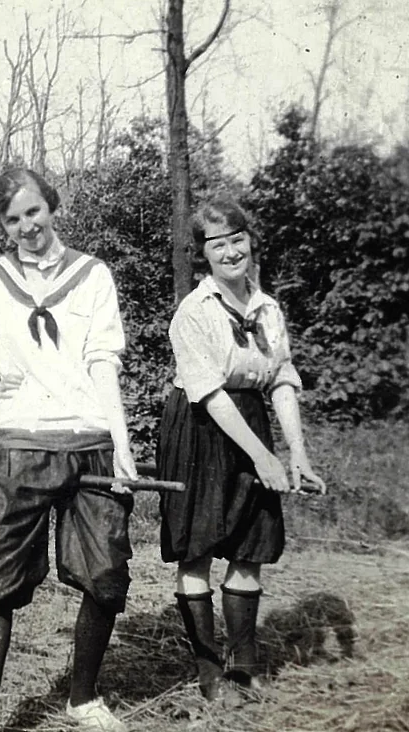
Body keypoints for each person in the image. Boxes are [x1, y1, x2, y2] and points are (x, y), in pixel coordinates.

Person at [0, 168, 138, 732]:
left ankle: (82, 698)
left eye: (33, 212)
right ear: (2, 225)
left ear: (52, 206)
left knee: (105, 573)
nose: (26, 227)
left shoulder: (93, 276)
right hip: (18, 447)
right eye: (12, 219)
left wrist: (122, 441)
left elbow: (104, 362)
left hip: (89, 442)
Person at [157, 195, 326, 703]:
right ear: (201, 254)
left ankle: (244, 668)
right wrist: (262, 456)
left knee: (249, 549)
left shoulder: (267, 308)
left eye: (238, 240)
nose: (231, 252)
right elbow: (209, 393)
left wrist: (295, 452)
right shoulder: (193, 312)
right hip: (200, 428)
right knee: (199, 550)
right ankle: (210, 677)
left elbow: (281, 380)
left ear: (250, 242)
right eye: (218, 244)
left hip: (249, 422)